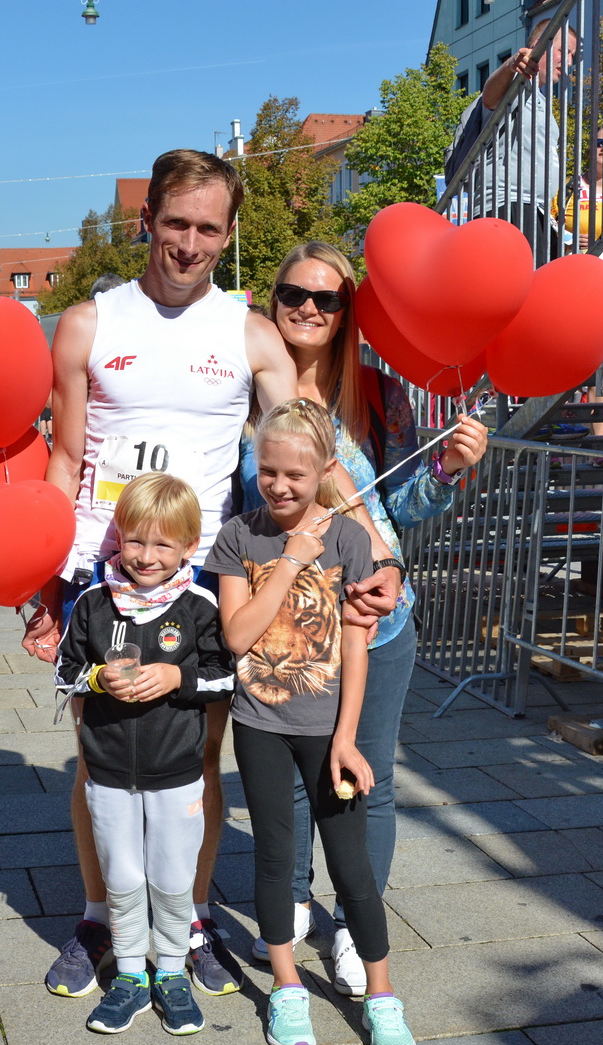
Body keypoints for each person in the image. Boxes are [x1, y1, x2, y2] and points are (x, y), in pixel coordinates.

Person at [26, 149, 303, 1001]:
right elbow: (64, 456)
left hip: (201, 581)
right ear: (146, 219)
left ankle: (191, 923)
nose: (189, 245)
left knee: (200, 762)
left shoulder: (252, 336)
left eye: (208, 229)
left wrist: (364, 556)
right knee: (97, 755)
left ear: (228, 235)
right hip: (98, 571)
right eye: (175, 224)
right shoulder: (87, 322)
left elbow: (302, 459)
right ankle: (100, 917)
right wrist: (43, 583)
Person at [238, 242, 488, 996]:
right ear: (271, 296)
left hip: (376, 623)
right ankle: (293, 901)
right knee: (285, 786)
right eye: (294, 293)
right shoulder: (244, 397)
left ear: (349, 313)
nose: (309, 308)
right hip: (286, 627)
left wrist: (448, 470)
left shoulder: (378, 395)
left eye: (328, 298)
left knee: (364, 781)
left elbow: (405, 504)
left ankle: (356, 918)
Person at [207, 399, 415, 1045]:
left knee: (351, 864)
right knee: (274, 855)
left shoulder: (351, 541)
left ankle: (381, 995)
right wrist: (293, 559)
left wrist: (349, 736)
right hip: (260, 722)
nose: (280, 485)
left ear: (325, 469)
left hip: (328, 730)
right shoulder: (241, 537)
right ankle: (288, 984)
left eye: (295, 474)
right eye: (267, 470)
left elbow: (359, 643)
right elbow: (237, 635)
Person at [56, 472, 236, 1036]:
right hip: (107, 772)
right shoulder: (92, 601)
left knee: (173, 874)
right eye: (135, 540)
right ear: (118, 537)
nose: (147, 555)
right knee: (124, 874)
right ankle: (132, 976)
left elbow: (225, 674)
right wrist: (98, 678)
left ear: (188, 546)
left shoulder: (200, 606)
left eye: (163, 544)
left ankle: (174, 974)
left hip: (177, 773)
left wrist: (173, 676)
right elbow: (65, 672)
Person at [448, 16, 579, 264]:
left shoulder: (541, 99)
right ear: (541, 45)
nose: (569, 62)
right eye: (564, 51)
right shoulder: (518, 84)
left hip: (535, 211)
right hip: (508, 208)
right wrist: (511, 65)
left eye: (572, 56)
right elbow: (490, 97)